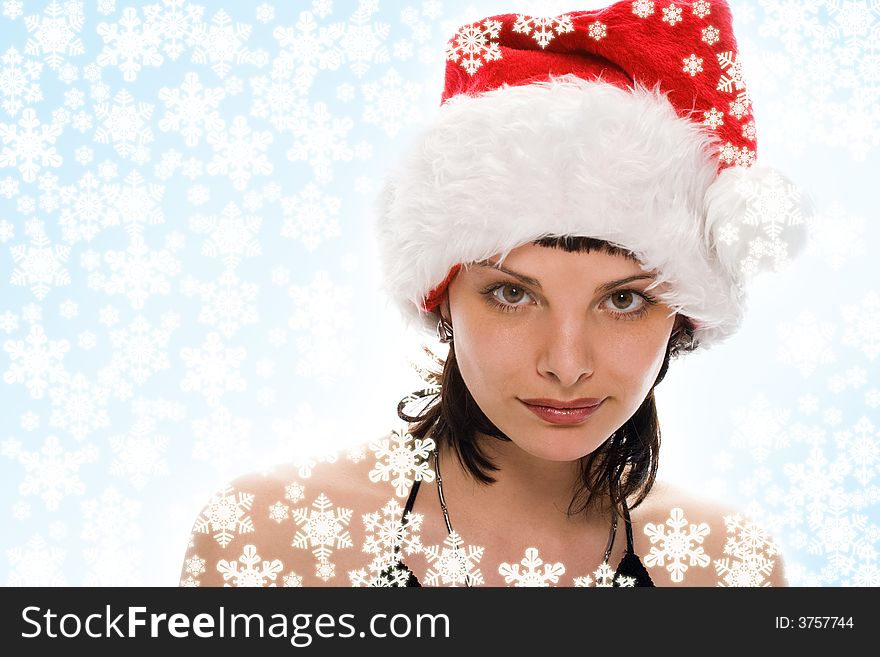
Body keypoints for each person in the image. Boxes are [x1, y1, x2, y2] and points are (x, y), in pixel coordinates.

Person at [179, 0, 809, 587]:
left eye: (623, 300)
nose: (566, 363)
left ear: (683, 318)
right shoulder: (270, 538)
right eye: (512, 294)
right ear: (442, 296)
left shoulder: (725, 568)